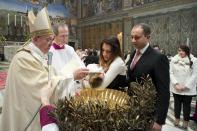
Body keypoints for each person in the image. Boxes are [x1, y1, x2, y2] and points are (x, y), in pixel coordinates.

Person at [0, 8, 88, 131]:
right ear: (35, 39)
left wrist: (72, 90)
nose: (51, 43)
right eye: (48, 40)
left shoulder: (40, 55)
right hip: (28, 116)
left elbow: (52, 77)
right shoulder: (23, 59)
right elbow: (43, 87)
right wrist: (71, 77)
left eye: (51, 39)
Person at [127, 23, 170, 131]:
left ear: (148, 37)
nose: (133, 40)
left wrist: (159, 120)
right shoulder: (133, 54)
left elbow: (163, 91)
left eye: (137, 37)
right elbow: (131, 78)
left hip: (148, 111)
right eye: (131, 37)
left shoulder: (159, 58)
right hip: (132, 108)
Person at [49, 24, 87, 97]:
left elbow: (80, 67)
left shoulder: (70, 49)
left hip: (72, 90)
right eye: (62, 36)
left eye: (67, 35)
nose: (65, 38)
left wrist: (78, 87)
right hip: (57, 91)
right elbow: (51, 77)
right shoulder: (49, 51)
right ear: (55, 35)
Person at [170, 45, 197, 129]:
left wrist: (186, 86)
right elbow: (170, 72)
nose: (180, 52)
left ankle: (186, 121)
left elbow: (195, 74)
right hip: (176, 87)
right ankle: (177, 119)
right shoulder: (173, 60)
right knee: (177, 105)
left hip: (188, 88)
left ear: (187, 51)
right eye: (179, 50)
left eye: (182, 51)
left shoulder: (194, 60)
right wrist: (176, 84)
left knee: (186, 106)